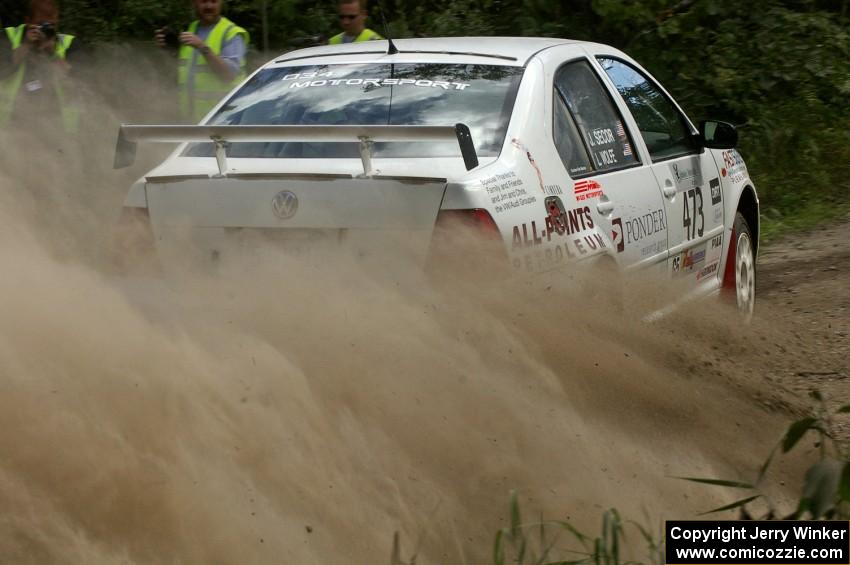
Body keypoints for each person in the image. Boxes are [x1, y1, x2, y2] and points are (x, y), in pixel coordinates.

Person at [155, 0, 249, 123]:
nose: (209, 6)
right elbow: (183, 72)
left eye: (213, 1)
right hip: (191, 121)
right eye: (204, 1)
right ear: (194, 3)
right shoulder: (191, 29)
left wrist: (202, 46)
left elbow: (229, 75)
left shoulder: (231, 33)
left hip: (224, 120)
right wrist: (167, 50)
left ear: (221, 3)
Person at [0, 0, 80, 133]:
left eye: (51, 25)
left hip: (57, 127)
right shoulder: (7, 37)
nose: (45, 30)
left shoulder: (68, 44)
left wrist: (52, 53)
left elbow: (80, 82)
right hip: (11, 127)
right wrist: (25, 45)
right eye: (40, 24)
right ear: (27, 20)